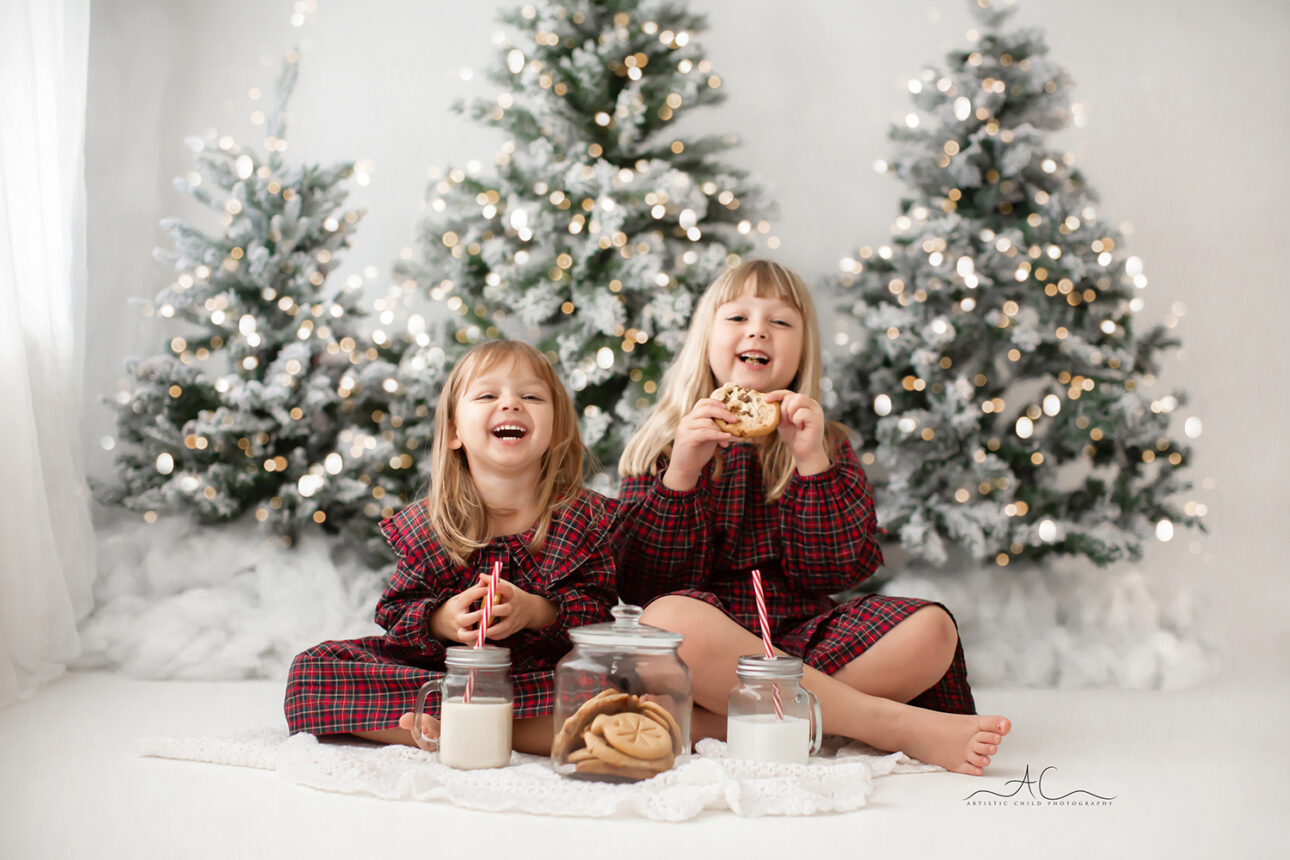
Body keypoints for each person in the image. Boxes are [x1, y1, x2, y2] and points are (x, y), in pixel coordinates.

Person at [614, 259, 1010, 775]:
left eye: (781, 322)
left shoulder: (825, 444)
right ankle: (886, 723)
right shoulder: (662, 446)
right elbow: (644, 583)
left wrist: (811, 463)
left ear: (802, 351)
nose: (758, 329)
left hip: (808, 636)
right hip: (713, 644)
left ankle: (721, 724)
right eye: (737, 318)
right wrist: (683, 474)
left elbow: (833, 573)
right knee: (667, 622)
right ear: (704, 339)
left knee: (932, 630)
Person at [285, 340, 616, 752]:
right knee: (313, 671)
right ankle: (478, 725)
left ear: (556, 431)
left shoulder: (580, 520)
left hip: (540, 678)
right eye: (487, 395)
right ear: (456, 431)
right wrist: (442, 620)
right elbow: (395, 616)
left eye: (530, 396)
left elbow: (600, 613)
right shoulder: (431, 525)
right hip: (446, 677)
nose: (511, 404)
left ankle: (461, 727)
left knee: (608, 683)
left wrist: (535, 611)